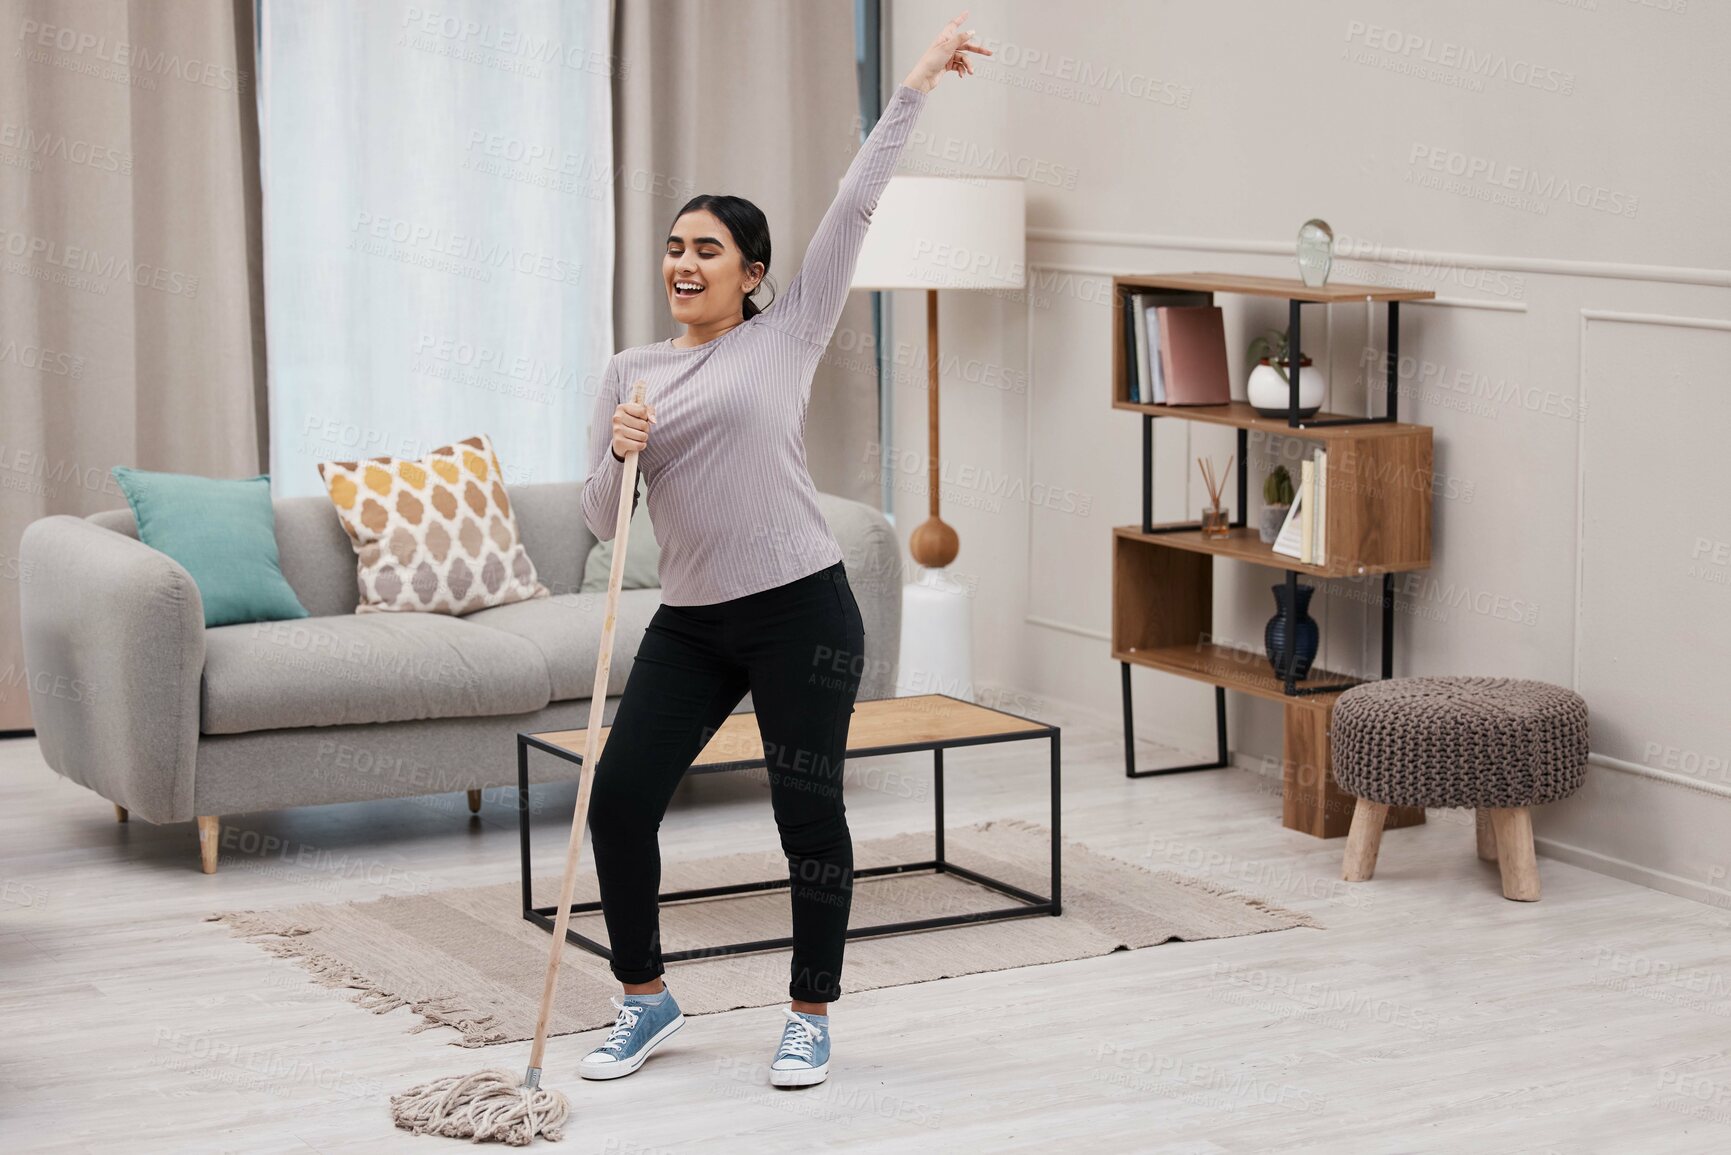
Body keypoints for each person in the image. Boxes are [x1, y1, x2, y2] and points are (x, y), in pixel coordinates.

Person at [572, 12, 988, 1089]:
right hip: (696, 623)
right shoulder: (630, 373)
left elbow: (855, 203)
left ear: (752, 273)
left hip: (804, 608)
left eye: (705, 248)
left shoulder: (788, 333)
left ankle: (810, 1011)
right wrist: (621, 455)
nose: (682, 262)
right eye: (673, 246)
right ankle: (644, 999)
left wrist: (915, 86)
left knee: (807, 811)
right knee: (619, 799)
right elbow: (600, 526)